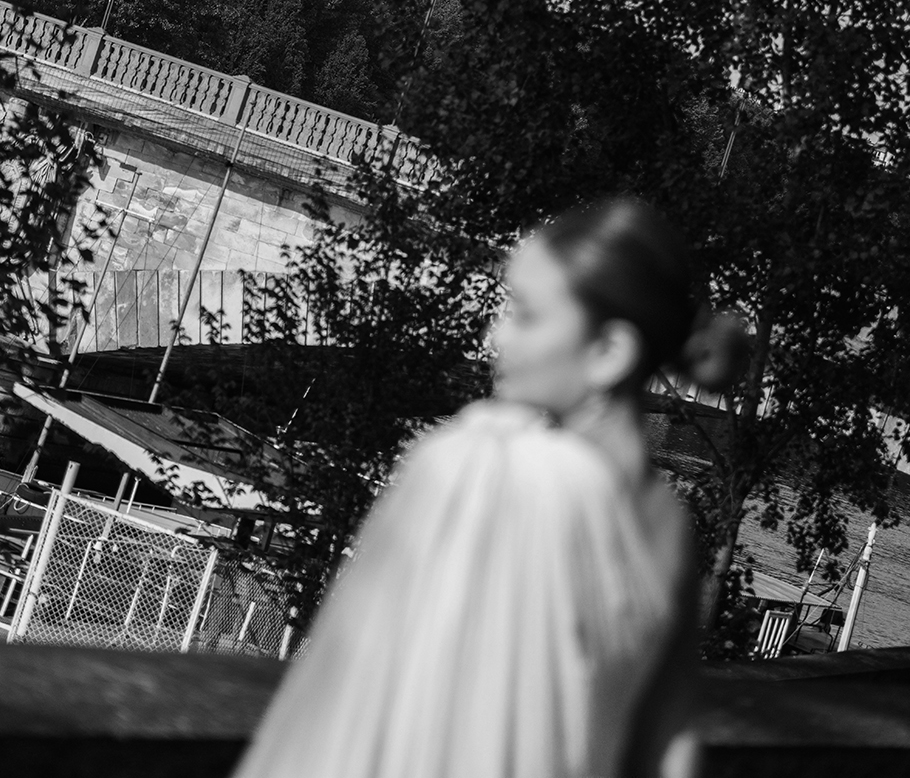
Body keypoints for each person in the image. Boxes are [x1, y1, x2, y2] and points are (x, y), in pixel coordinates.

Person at [237, 198, 742, 778]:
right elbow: (669, 744)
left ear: (608, 352)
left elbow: (344, 696)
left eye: (525, 315)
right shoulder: (664, 518)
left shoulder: (475, 472)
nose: (495, 335)